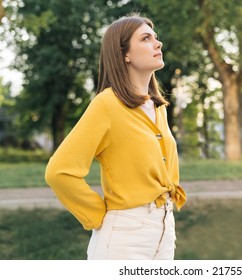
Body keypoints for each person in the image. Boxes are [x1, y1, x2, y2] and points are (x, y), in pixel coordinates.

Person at [45, 14, 186, 260]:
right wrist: (98, 215)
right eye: (145, 38)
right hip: (125, 235)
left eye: (156, 37)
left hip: (164, 228)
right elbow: (60, 172)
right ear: (124, 55)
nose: (157, 43)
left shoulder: (158, 108)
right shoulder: (107, 104)